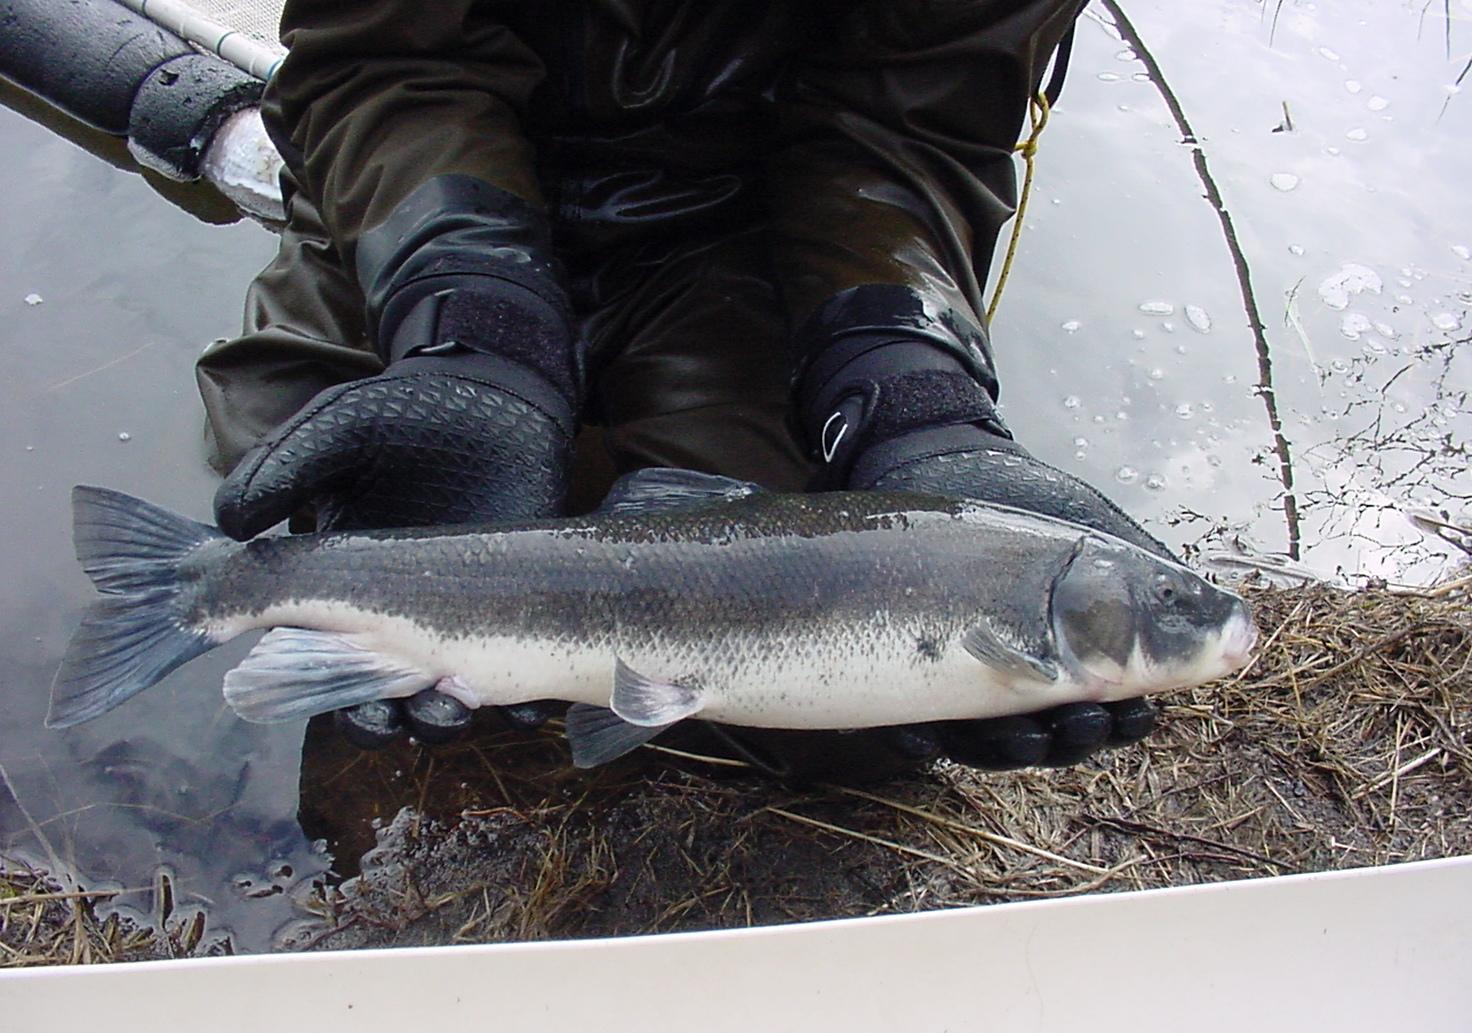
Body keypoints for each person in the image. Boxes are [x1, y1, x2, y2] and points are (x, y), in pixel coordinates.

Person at [197, 0, 1168, 782]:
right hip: (422, 210)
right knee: (331, 516)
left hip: (749, 237)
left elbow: (906, 128)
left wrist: (908, 397)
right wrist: (469, 331)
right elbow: (379, 61)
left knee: (845, 734)